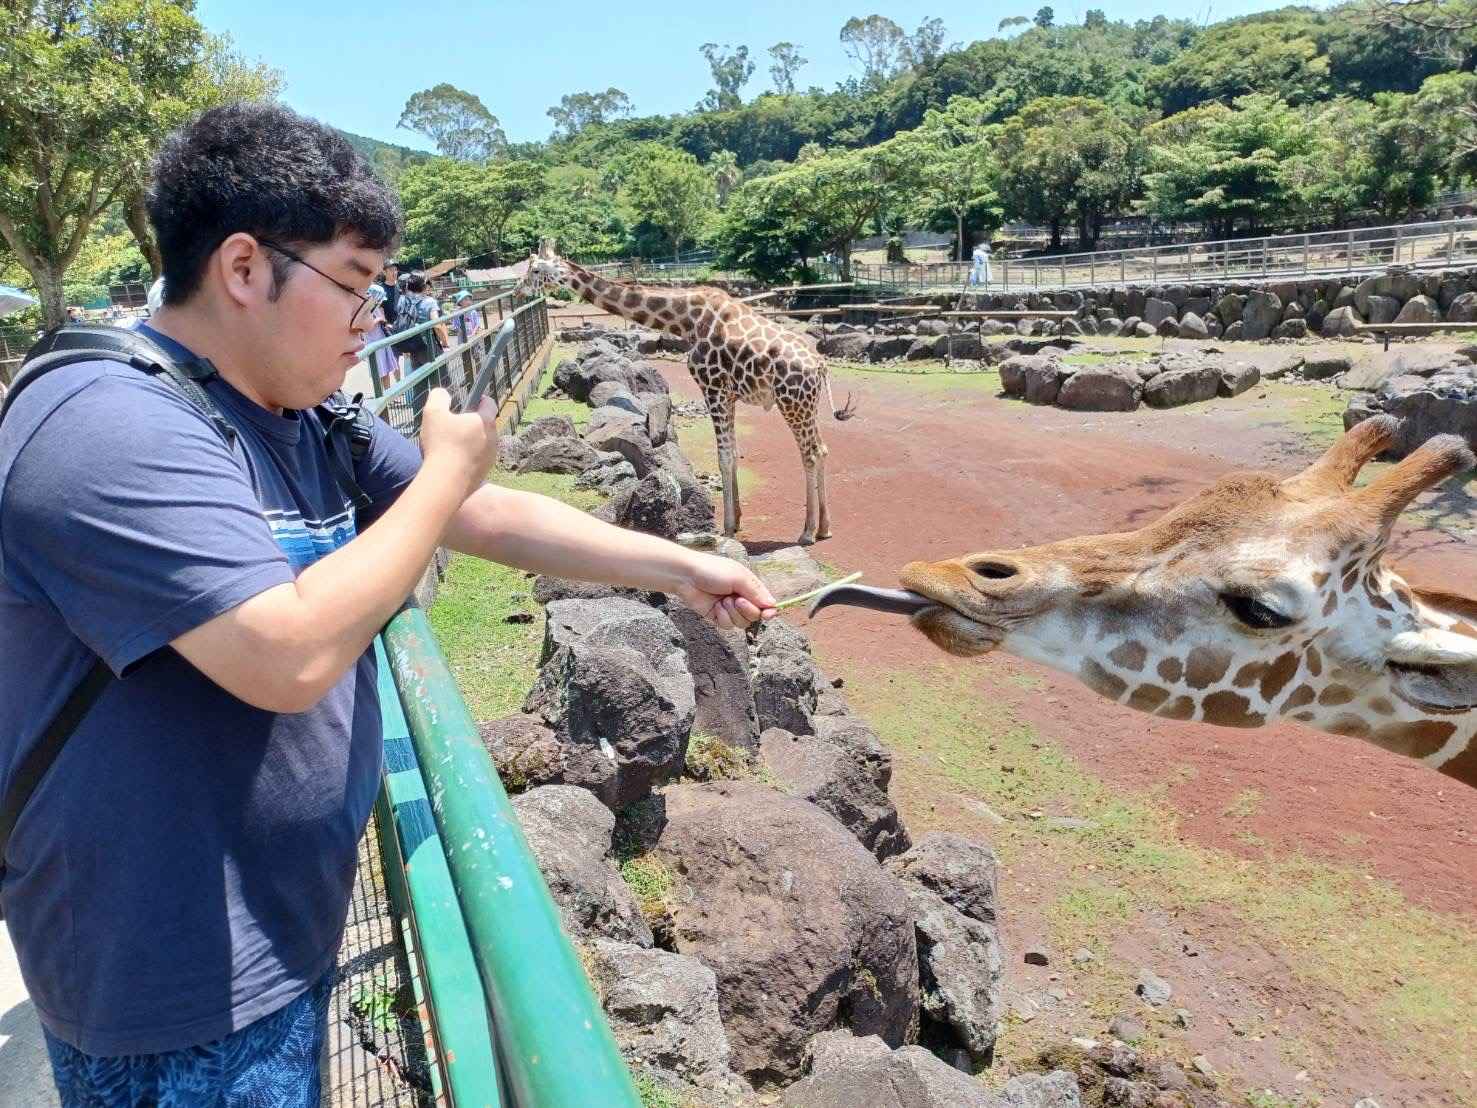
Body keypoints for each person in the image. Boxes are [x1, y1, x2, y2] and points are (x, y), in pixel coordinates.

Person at [0, 101, 776, 1108]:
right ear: (244, 269)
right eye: (355, 287)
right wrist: (448, 474)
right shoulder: (109, 429)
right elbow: (287, 652)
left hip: (277, 938)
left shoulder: (297, 410)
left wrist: (675, 566)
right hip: (173, 994)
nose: (371, 324)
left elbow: (481, 511)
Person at [362, 282, 401, 391]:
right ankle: (381, 396)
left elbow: (382, 321)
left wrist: (385, 323)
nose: (380, 302)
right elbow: (365, 327)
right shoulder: (365, 310)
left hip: (382, 341)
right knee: (379, 372)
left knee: (386, 370)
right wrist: (378, 320)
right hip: (373, 343)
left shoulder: (377, 308)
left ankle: (388, 394)